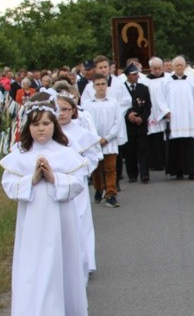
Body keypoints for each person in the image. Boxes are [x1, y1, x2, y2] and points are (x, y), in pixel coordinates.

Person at [0, 100, 89, 316]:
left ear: (55, 125)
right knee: (35, 265)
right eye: (36, 124)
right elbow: (10, 186)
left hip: (61, 220)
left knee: (56, 262)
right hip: (33, 223)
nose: (41, 129)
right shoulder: (20, 155)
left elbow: (79, 182)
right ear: (28, 127)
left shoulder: (65, 153)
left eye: (47, 123)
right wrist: (33, 178)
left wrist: (53, 177)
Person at [56, 93, 102, 278]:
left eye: (65, 109)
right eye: (58, 110)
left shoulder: (82, 133)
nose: (61, 114)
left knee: (81, 220)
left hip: (77, 184)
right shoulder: (50, 132)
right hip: (57, 183)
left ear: (73, 111)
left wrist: (80, 172)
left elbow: (93, 156)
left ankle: (86, 261)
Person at [83, 73, 123, 207]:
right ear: (93, 86)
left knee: (110, 168)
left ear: (107, 86)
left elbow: (118, 122)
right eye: (98, 84)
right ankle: (99, 188)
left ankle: (111, 194)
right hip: (94, 142)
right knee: (96, 169)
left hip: (109, 141)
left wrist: (108, 137)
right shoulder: (88, 104)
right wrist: (95, 139)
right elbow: (86, 124)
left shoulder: (113, 103)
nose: (101, 87)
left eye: (103, 84)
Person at [167, 56, 194, 179]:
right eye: (177, 65)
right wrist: (165, 113)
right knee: (176, 145)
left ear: (185, 66)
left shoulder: (191, 80)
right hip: (174, 119)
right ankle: (177, 171)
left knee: (190, 145)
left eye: (181, 65)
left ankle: (191, 171)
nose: (179, 67)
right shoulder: (167, 81)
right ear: (173, 66)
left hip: (188, 119)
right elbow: (161, 100)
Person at [119, 64, 152, 183]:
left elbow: (148, 107)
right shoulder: (121, 88)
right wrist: (128, 114)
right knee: (130, 151)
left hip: (140, 124)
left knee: (143, 149)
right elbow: (119, 105)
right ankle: (132, 174)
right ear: (127, 75)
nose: (136, 76)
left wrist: (142, 118)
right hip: (127, 125)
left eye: (137, 74)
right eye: (133, 74)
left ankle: (144, 173)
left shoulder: (143, 88)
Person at [145, 57, 171, 171]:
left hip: (166, 112)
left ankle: (168, 161)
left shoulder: (168, 78)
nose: (157, 71)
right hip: (152, 113)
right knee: (154, 139)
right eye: (154, 68)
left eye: (159, 68)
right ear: (150, 68)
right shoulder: (145, 81)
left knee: (166, 138)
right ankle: (155, 163)